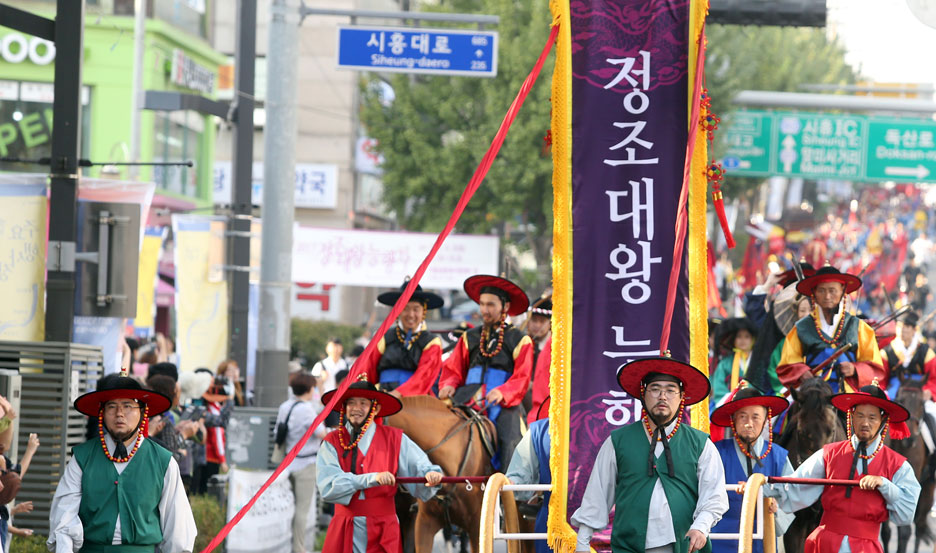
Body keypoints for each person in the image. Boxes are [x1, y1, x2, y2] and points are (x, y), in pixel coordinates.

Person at [572, 356, 728, 553]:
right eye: (655, 389)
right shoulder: (618, 441)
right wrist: (583, 544)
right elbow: (598, 494)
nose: (662, 396)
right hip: (629, 547)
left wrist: (701, 527)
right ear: (643, 395)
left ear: (682, 397)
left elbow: (714, 495)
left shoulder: (700, 444)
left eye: (670, 390)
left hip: (684, 547)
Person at [755, 383, 921, 552]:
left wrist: (885, 485)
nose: (865, 423)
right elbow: (794, 485)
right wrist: (758, 488)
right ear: (851, 416)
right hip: (824, 544)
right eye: (860, 416)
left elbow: (906, 513)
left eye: (872, 418)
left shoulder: (899, 465)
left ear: (883, 420)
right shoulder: (828, 453)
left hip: (866, 547)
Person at [48, 370, 197, 553]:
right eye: (111, 406)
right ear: (102, 413)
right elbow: (64, 517)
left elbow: (178, 527)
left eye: (127, 406)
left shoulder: (163, 461)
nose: (119, 414)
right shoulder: (82, 458)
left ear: (143, 412)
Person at [316, 377, 444, 553]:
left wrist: (430, 475)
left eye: (363, 403)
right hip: (345, 526)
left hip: (385, 528)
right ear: (344, 408)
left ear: (375, 409)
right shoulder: (331, 441)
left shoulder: (395, 438)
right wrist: (371, 479)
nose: (356, 409)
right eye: (351, 403)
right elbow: (328, 485)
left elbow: (420, 466)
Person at [438, 274, 533, 469]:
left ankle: (511, 492)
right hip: (467, 398)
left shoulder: (520, 339)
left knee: (511, 441)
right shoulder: (469, 337)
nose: (484, 310)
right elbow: (453, 369)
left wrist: (503, 392)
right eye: (482, 304)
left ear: (505, 307)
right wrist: (448, 385)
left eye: (490, 305)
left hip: (503, 403)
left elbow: (522, 378)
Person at [708, 385, 793, 553]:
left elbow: (793, 498)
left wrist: (777, 510)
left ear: (765, 420)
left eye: (755, 417)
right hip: (721, 541)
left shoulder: (778, 456)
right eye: (742, 417)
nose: (748, 424)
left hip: (764, 543)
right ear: (732, 419)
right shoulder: (715, 453)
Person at [777, 265, 885, 393]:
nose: (827, 296)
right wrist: (801, 372)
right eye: (821, 290)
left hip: (848, 396)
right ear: (814, 293)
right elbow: (787, 365)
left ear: (843, 290)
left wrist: (855, 369)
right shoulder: (801, 328)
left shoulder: (860, 327)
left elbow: (875, 368)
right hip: (812, 393)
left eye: (832, 290)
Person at [357, 280, 444, 395]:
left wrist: (399, 393)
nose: (411, 314)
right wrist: (365, 392)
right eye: (406, 308)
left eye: (416, 309)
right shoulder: (383, 337)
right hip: (382, 394)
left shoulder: (432, 342)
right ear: (398, 311)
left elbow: (424, 377)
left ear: (423, 312)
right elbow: (368, 368)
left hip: (416, 398)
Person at [277, 372, 328, 553]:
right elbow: (322, 433)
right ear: (309, 388)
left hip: (288, 463)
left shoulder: (285, 406)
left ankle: (294, 546)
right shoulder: (306, 409)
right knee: (302, 510)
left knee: (292, 508)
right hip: (305, 464)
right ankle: (298, 549)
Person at [506, 405, 551, 553]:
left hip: (604, 525)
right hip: (551, 523)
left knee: (506, 432)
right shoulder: (540, 430)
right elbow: (518, 475)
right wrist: (511, 483)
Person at [709, 317, 757, 410]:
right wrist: (732, 399)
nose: (743, 340)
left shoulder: (758, 363)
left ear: (752, 340)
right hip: (728, 404)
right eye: (739, 336)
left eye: (746, 336)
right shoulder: (725, 363)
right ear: (733, 340)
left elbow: (762, 385)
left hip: (754, 403)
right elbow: (719, 386)